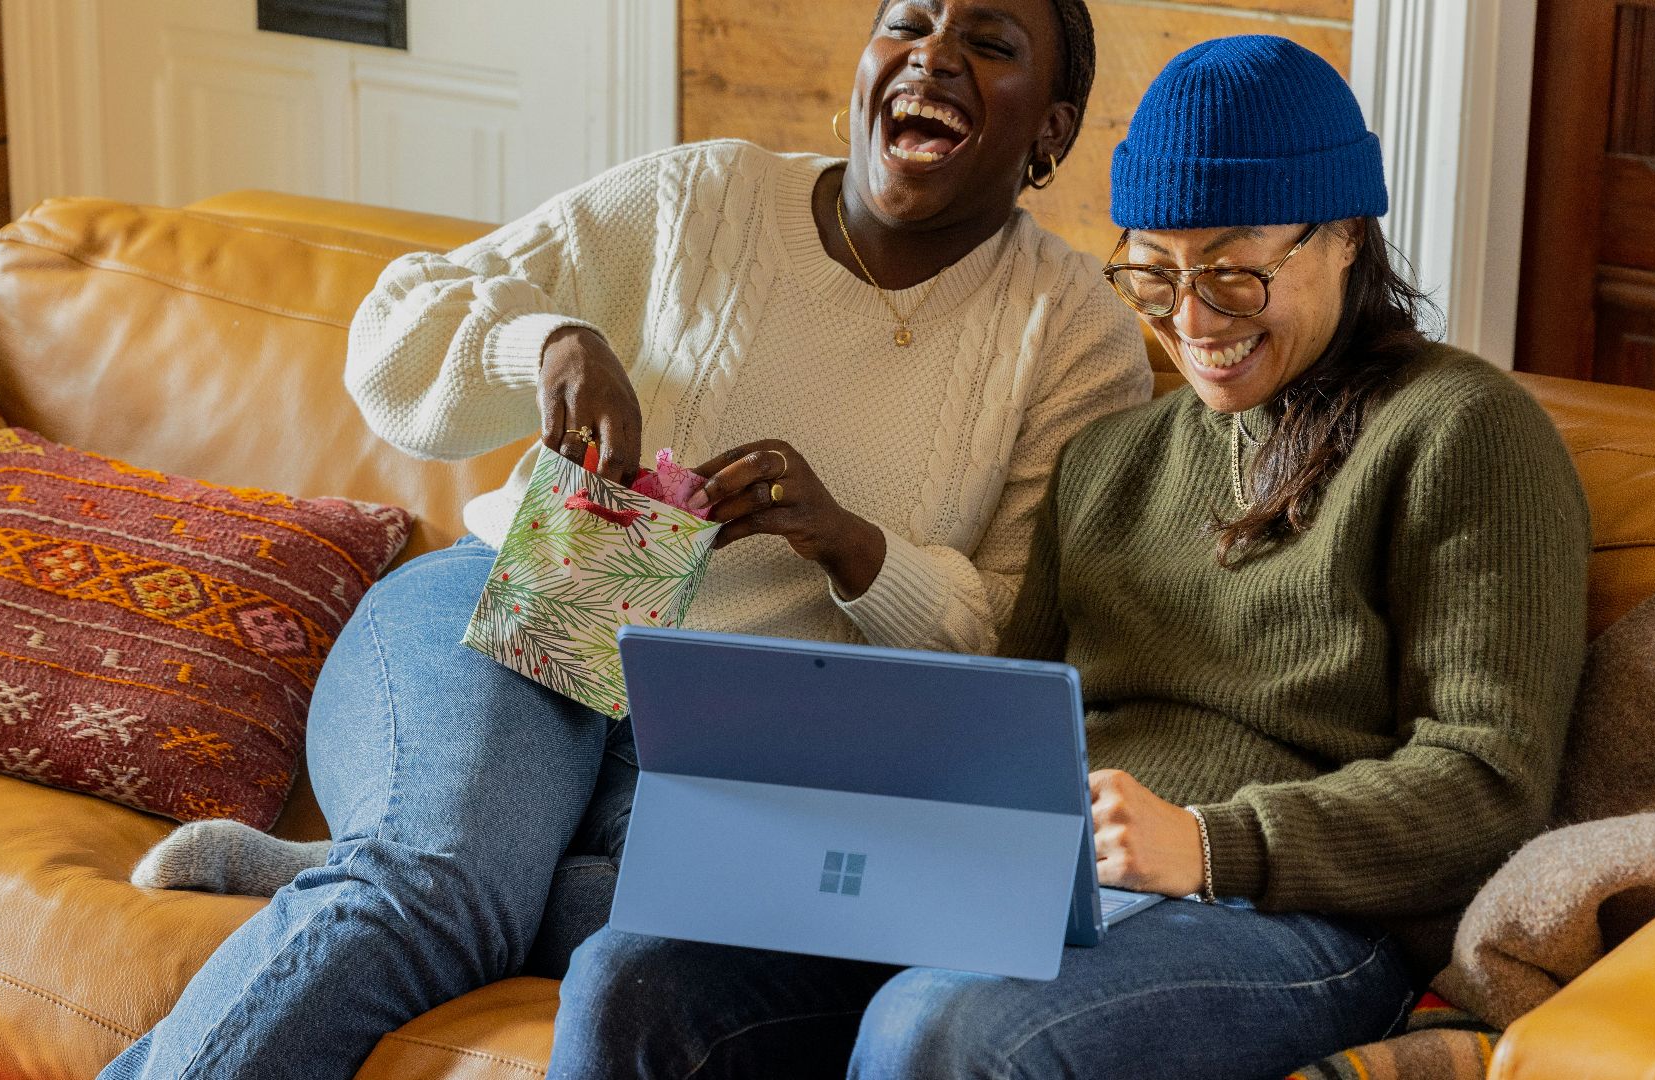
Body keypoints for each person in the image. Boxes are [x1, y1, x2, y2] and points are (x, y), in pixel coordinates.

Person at [99, 0, 1147, 1076]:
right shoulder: (709, 198)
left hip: (740, 739)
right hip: (527, 603)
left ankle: (368, 864)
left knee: (686, 920)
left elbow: (1017, 647)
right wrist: (546, 345)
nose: (933, 55)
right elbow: (394, 328)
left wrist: (852, 547)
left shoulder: (1076, 338)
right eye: (910, 23)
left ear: (1053, 131)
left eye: (989, 41)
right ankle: (414, 865)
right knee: (440, 891)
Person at [549, 34, 1590, 1080]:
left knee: (939, 1029)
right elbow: (1008, 713)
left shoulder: (1463, 431)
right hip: (1035, 882)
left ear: (1346, 238)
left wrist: (1213, 844)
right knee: (630, 976)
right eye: (1154, 273)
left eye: (1232, 273)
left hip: (1294, 914)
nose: (1191, 322)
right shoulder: (1108, 459)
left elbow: (1489, 780)